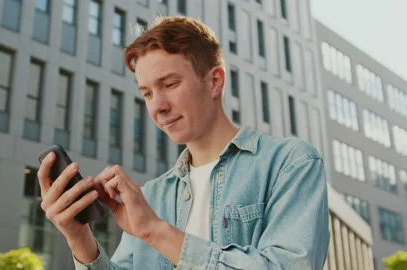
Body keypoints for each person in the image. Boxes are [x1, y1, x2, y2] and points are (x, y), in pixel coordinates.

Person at [37, 16, 330, 269]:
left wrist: (155, 231)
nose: (157, 107)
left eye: (170, 84)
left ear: (215, 81)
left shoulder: (291, 163)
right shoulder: (150, 196)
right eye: (147, 93)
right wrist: (79, 237)